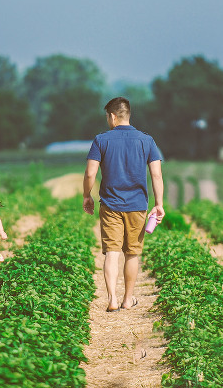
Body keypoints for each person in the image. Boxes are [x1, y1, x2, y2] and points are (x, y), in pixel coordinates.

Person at [83, 97, 165, 312]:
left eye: (107, 117)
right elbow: (156, 175)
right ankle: (128, 300)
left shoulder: (101, 140)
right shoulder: (147, 140)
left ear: (112, 116)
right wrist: (159, 204)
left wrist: (86, 196)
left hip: (110, 205)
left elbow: (90, 173)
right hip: (138, 206)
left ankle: (111, 299)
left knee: (112, 252)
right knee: (132, 253)